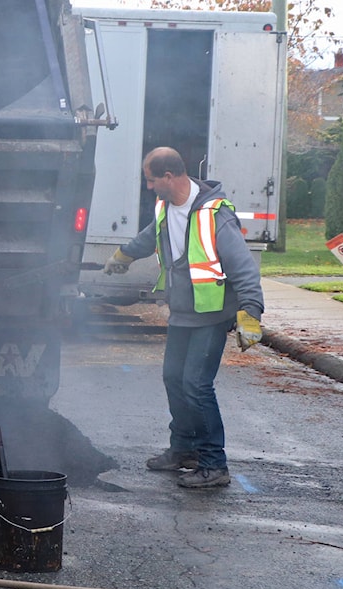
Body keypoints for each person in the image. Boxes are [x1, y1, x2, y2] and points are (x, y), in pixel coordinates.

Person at [103, 146, 264, 489]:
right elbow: (153, 236)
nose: (148, 188)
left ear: (169, 176)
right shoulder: (165, 207)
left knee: (196, 385)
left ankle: (214, 464)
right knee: (174, 379)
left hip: (211, 314)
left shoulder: (214, 214)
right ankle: (183, 451)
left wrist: (251, 312)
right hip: (183, 312)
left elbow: (243, 266)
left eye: (151, 180)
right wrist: (124, 255)